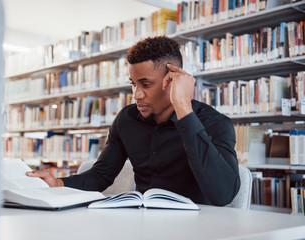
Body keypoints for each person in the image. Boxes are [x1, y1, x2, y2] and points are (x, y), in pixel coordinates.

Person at [27, 36, 240, 206]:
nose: (136, 95)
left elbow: (223, 194)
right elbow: (102, 174)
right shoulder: (127, 120)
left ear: (172, 80)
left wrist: (183, 106)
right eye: (133, 84)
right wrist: (59, 183)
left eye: (146, 84)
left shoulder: (215, 123)